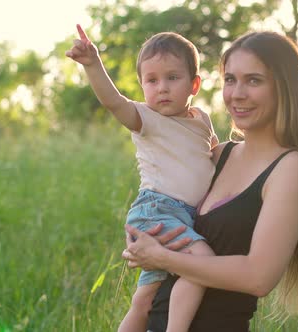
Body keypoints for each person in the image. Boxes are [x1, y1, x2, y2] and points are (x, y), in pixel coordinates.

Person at [122, 31, 298, 331]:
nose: (237, 93)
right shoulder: (219, 154)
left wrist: (161, 257)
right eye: (230, 80)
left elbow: (258, 277)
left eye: (254, 80)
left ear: (283, 88)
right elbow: (167, 197)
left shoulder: (291, 168)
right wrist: (142, 235)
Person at [65, 25, 218, 332]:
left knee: (145, 300)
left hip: (183, 216)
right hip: (158, 212)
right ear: (142, 85)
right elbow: (113, 101)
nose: (162, 87)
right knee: (202, 263)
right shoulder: (146, 119)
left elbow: (212, 156)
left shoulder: (201, 119)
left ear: (194, 84)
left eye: (172, 78)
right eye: (152, 80)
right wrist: (93, 65)